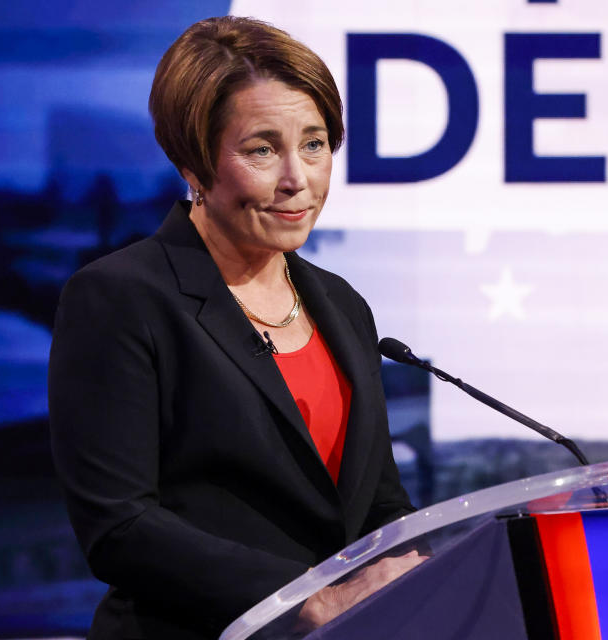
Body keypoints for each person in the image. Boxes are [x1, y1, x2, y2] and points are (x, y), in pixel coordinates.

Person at [48, 16, 421, 639]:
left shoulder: (341, 304)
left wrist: (421, 568)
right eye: (261, 149)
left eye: (315, 143)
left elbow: (376, 501)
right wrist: (306, 600)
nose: (297, 178)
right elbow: (119, 527)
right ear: (194, 164)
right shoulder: (121, 298)